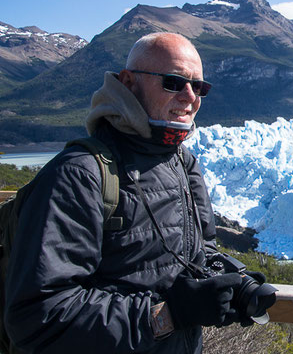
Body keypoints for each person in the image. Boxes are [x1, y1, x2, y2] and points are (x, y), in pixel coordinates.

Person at [4, 33, 245, 353]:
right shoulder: (79, 175)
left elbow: (200, 255)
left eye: (199, 86)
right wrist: (170, 314)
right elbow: (39, 318)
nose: (190, 96)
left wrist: (236, 281)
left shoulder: (182, 164)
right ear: (129, 82)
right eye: (174, 82)